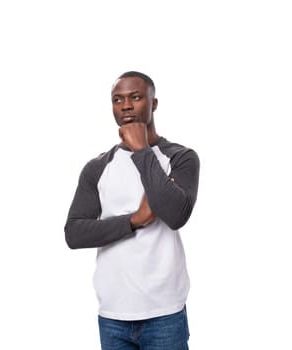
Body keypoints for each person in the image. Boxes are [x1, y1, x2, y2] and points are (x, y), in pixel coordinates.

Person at [64, 71, 200, 350]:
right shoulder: (98, 167)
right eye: (117, 100)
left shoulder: (180, 158)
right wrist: (135, 220)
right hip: (113, 315)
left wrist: (141, 151)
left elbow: (176, 215)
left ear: (154, 103)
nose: (125, 105)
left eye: (135, 97)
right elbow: (75, 233)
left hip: (165, 313)